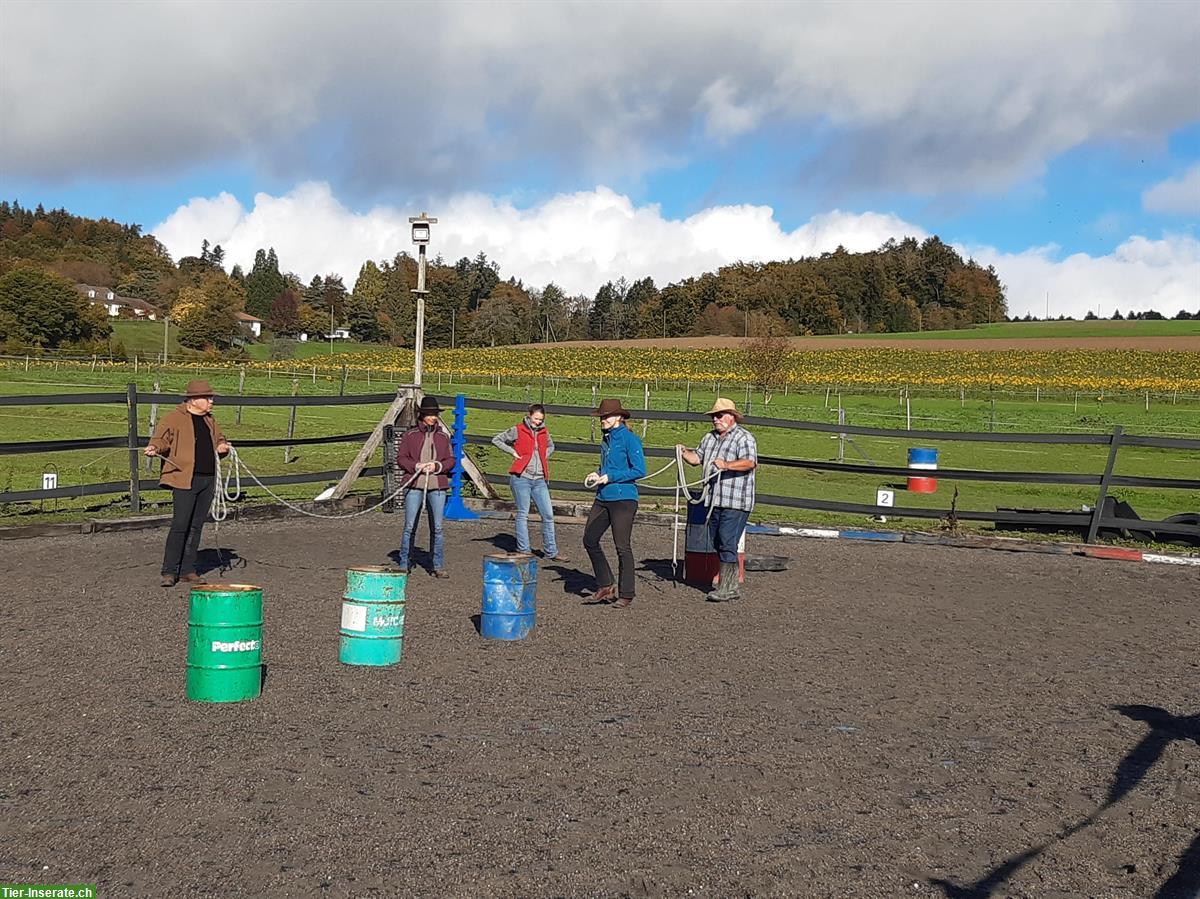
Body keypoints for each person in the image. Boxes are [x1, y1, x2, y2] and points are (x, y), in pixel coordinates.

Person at [144, 379, 232, 587]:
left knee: (196, 525)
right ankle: (169, 570)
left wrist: (222, 447)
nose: (211, 401)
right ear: (193, 399)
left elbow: (219, 439)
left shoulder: (210, 421)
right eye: (208, 398)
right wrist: (154, 448)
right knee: (180, 524)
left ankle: (188, 569)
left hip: (207, 479)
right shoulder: (174, 418)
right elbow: (161, 439)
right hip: (184, 478)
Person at [677, 397, 757, 602]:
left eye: (719, 415)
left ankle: (728, 587)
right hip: (713, 500)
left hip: (736, 501)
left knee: (727, 540)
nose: (716, 419)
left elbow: (750, 462)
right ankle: (729, 585)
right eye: (714, 416)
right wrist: (684, 453)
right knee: (716, 540)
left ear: (731, 416)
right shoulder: (709, 438)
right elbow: (698, 459)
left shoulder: (744, 438)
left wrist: (727, 465)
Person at [582, 398, 646, 609]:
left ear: (618, 417)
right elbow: (607, 467)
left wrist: (611, 476)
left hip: (623, 499)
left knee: (622, 546)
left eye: (606, 416)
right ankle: (606, 584)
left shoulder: (630, 440)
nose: (603, 419)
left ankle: (626, 592)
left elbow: (639, 470)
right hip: (603, 496)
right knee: (590, 539)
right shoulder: (607, 440)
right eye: (602, 416)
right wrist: (598, 473)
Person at [492, 404, 568, 562]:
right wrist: (513, 452)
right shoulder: (518, 430)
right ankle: (524, 550)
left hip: (539, 479)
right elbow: (497, 439)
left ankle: (551, 551)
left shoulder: (544, 432)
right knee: (523, 514)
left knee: (548, 514)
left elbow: (551, 446)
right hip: (522, 478)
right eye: (535, 419)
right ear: (529, 416)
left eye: (541, 420)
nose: (538, 422)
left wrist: (543, 456)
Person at [396, 395, 456, 577]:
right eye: (429, 414)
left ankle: (437, 565)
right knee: (409, 526)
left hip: (437, 487)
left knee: (437, 527)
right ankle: (404, 563)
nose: (432, 417)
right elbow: (401, 458)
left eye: (435, 414)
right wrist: (416, 466)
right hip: (414, 484)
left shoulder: (443, 437)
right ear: (422, 415)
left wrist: (437, 466)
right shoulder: (410, 436)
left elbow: (451, 460)